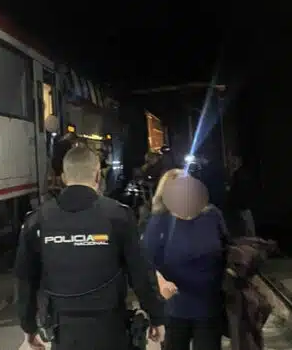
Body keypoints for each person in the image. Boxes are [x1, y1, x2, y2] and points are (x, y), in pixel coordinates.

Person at [16, 146, 166, 350]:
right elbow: (139, 272)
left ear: (63, 177)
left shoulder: (37, 220)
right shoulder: (119, 215)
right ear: (98, 176)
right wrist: (156, 315)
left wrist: (29, 326)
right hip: (111, 328)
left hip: (63, 330)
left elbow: (25, 279)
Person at [141, 169, 227, 350]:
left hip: (209, 306)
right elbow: (145, 261)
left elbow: (226, 248)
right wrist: (160, 281)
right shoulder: (159, 222)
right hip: (174, 309)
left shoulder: (212, 216)